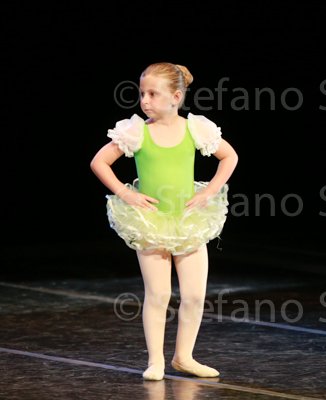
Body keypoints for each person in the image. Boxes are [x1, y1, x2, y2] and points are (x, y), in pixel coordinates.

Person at [90, 62, 238, 379]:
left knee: (195, 295)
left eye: (153, 94)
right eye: (142, 93)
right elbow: (99, 162)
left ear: (175, 97)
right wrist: (125, 193)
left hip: (188, 221)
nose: (145, 100)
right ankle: (155, 360)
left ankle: (184, 356)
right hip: (151, 222)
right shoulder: (136, 132)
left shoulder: (194, 129)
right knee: (158, 294)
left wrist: (210, 191)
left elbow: (230, 156)